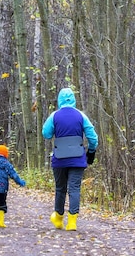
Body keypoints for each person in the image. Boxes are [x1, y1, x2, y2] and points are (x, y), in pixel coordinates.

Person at [42, 87, 98, 231]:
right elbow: (93, 137)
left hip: (59, 159)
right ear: (73, 99)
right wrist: (91, 152)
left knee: (60, 188)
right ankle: (72, 222)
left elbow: (46, 134)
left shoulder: (54, 116)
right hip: (78, 158)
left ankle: (59, 219)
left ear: (59, 100)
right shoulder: (81, 116)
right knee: (74, 189)